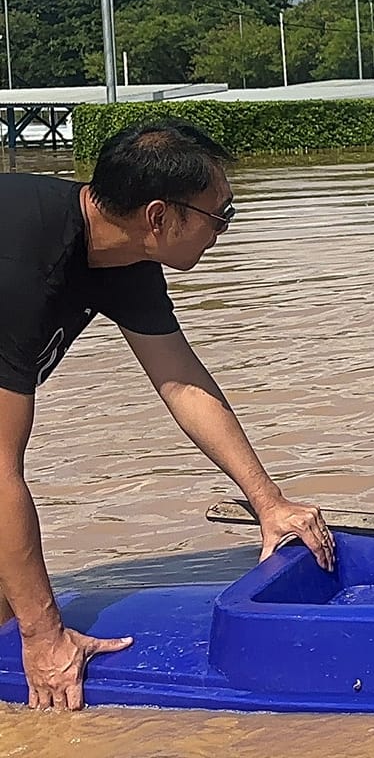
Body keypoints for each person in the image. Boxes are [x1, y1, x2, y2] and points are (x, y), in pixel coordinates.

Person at [0, 121, 332, 711]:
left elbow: (181, 382)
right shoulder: (22, 267)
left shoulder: (122, 254)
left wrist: (268, 502)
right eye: (219, 216)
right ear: (159, 217)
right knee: (22, 625)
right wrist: (44, 635)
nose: (221, 232)